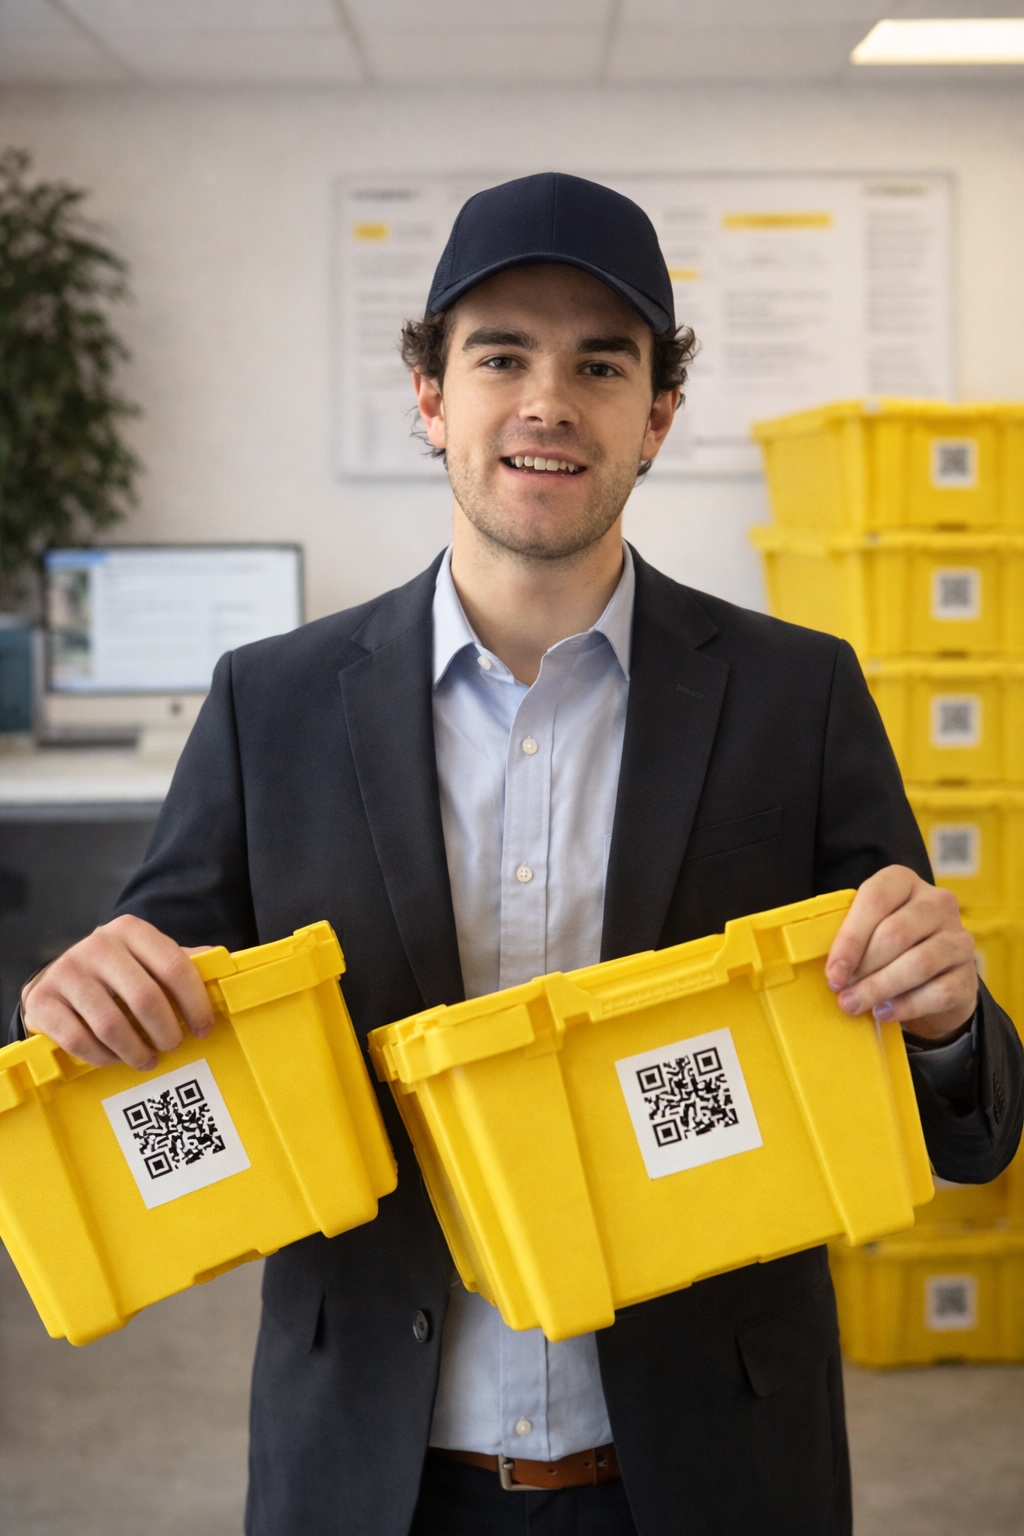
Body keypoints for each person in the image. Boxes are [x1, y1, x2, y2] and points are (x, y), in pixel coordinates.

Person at [14, 173, 1023, 1536]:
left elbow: (970, 1127)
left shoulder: (797, 695)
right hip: (371, 1475)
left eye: (601, 364)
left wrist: (948, 1021)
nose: (549, 401)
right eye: (501, 357)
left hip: (713, 1469)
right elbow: (141, 1035)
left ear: (657, 415)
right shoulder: (273, 705)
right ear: (431, 395)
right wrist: (85, 1006)